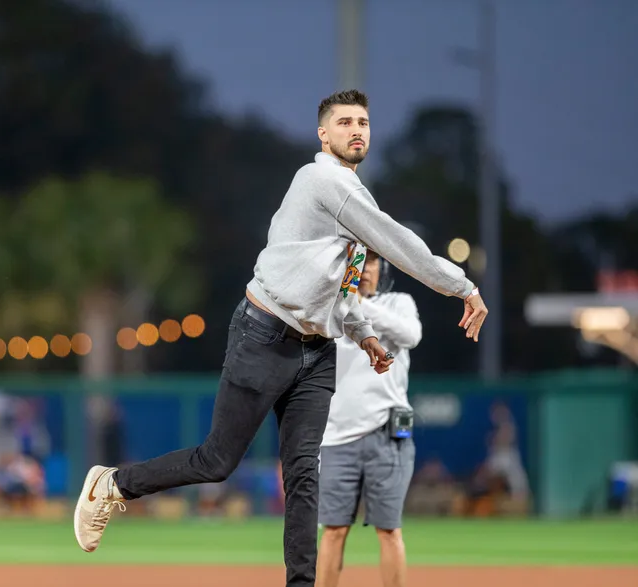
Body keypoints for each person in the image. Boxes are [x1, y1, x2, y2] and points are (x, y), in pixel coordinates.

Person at [73, 89, 488, 587]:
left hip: (317, 351)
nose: (357, 130)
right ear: (323, 134)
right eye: (344, 122)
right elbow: (399, 243)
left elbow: (343, 287)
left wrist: (363, 333)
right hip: (264, 335)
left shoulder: (355, 198)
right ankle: (112, 483)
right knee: (217, 461)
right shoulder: (321, 181)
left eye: (364, 122)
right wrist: (463, 286)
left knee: (304, 478)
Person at [316, 251, 421, 587]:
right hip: (336, 437)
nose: (365, 269)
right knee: (332, 531)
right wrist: (344, 300)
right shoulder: (329, 309)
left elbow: (411, 335)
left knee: (389, 530)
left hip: (387, 435)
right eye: (358, 262)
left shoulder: (397, 302)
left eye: (373, 261)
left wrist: (356, 302)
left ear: (383, 269)